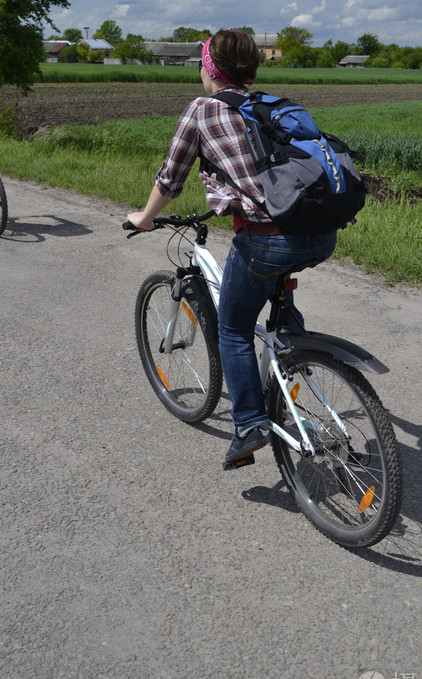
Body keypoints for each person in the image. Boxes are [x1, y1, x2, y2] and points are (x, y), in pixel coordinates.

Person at [127, 29, 337, 468]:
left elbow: (171, 177)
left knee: (233, 329)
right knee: (278, 288)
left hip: (267, 241)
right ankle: (295, 354)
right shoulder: (271, 106)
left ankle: (249, 425)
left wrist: (144, 218)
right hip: (319, 232)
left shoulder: (203, 110)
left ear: (209, 68)